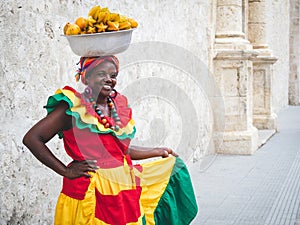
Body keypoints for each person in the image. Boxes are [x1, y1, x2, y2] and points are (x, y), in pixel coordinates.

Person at [23, 55, 198, 225]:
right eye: (101, 74)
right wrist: (65, 171)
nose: (109, 79)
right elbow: (32, 138)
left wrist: (156, 151)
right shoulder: (73, 107)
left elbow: (119, 151)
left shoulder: (117, 106)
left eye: (113, 75)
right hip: (89, 192)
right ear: (86, 77)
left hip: (122, 191)